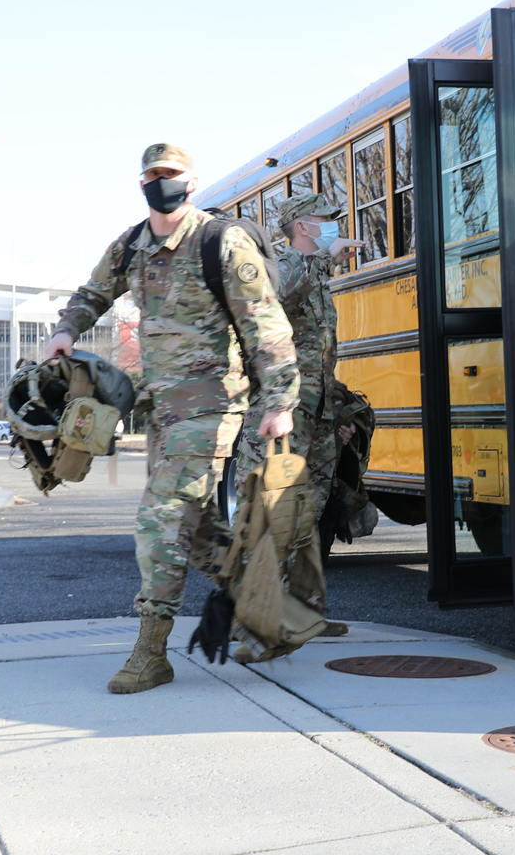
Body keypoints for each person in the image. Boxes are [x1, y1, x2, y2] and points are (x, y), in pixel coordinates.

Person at [47, 143, 299, 695]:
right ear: (142, 182)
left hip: (212, 409)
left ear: (193, 181)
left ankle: (151, 652)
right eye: (153, 174)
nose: (163, 182)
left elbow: (266, 324)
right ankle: (271, 618)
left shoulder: (222, 242)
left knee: (160, 519)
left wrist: (279, 401)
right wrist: (66, 330)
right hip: (163, 410)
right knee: (200, 529)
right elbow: (93, 293)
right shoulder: (132, 244)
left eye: (173, 174)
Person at [245, 193, 365, 644]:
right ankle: (256, 620)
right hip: (278, 416)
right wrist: (320, 262)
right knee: (273, 515)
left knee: (309, 516)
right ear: (302, 225)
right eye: (325, 220)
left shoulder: (318, 276)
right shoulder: (278, 266)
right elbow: (272, 301)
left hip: (315, 417)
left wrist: (336, 412)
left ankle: (303, 614)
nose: (334, 225)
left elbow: (318, 358)